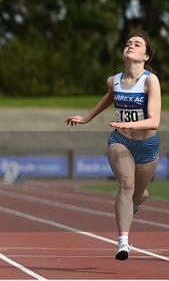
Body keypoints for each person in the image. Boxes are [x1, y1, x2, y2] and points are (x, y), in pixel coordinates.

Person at [65, 29, 161, 261]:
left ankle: (132, 206)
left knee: (139, 194)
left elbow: (154, 122)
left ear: (146, 56)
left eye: (137, 44)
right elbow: (110, 96)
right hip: (120, 141)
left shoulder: (150, 81)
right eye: (128, 43)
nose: (130, 46)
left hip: (147, 146)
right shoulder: (114, 80)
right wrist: (87, 118)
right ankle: (123, 243)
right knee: (126, 186)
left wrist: (129, 122)